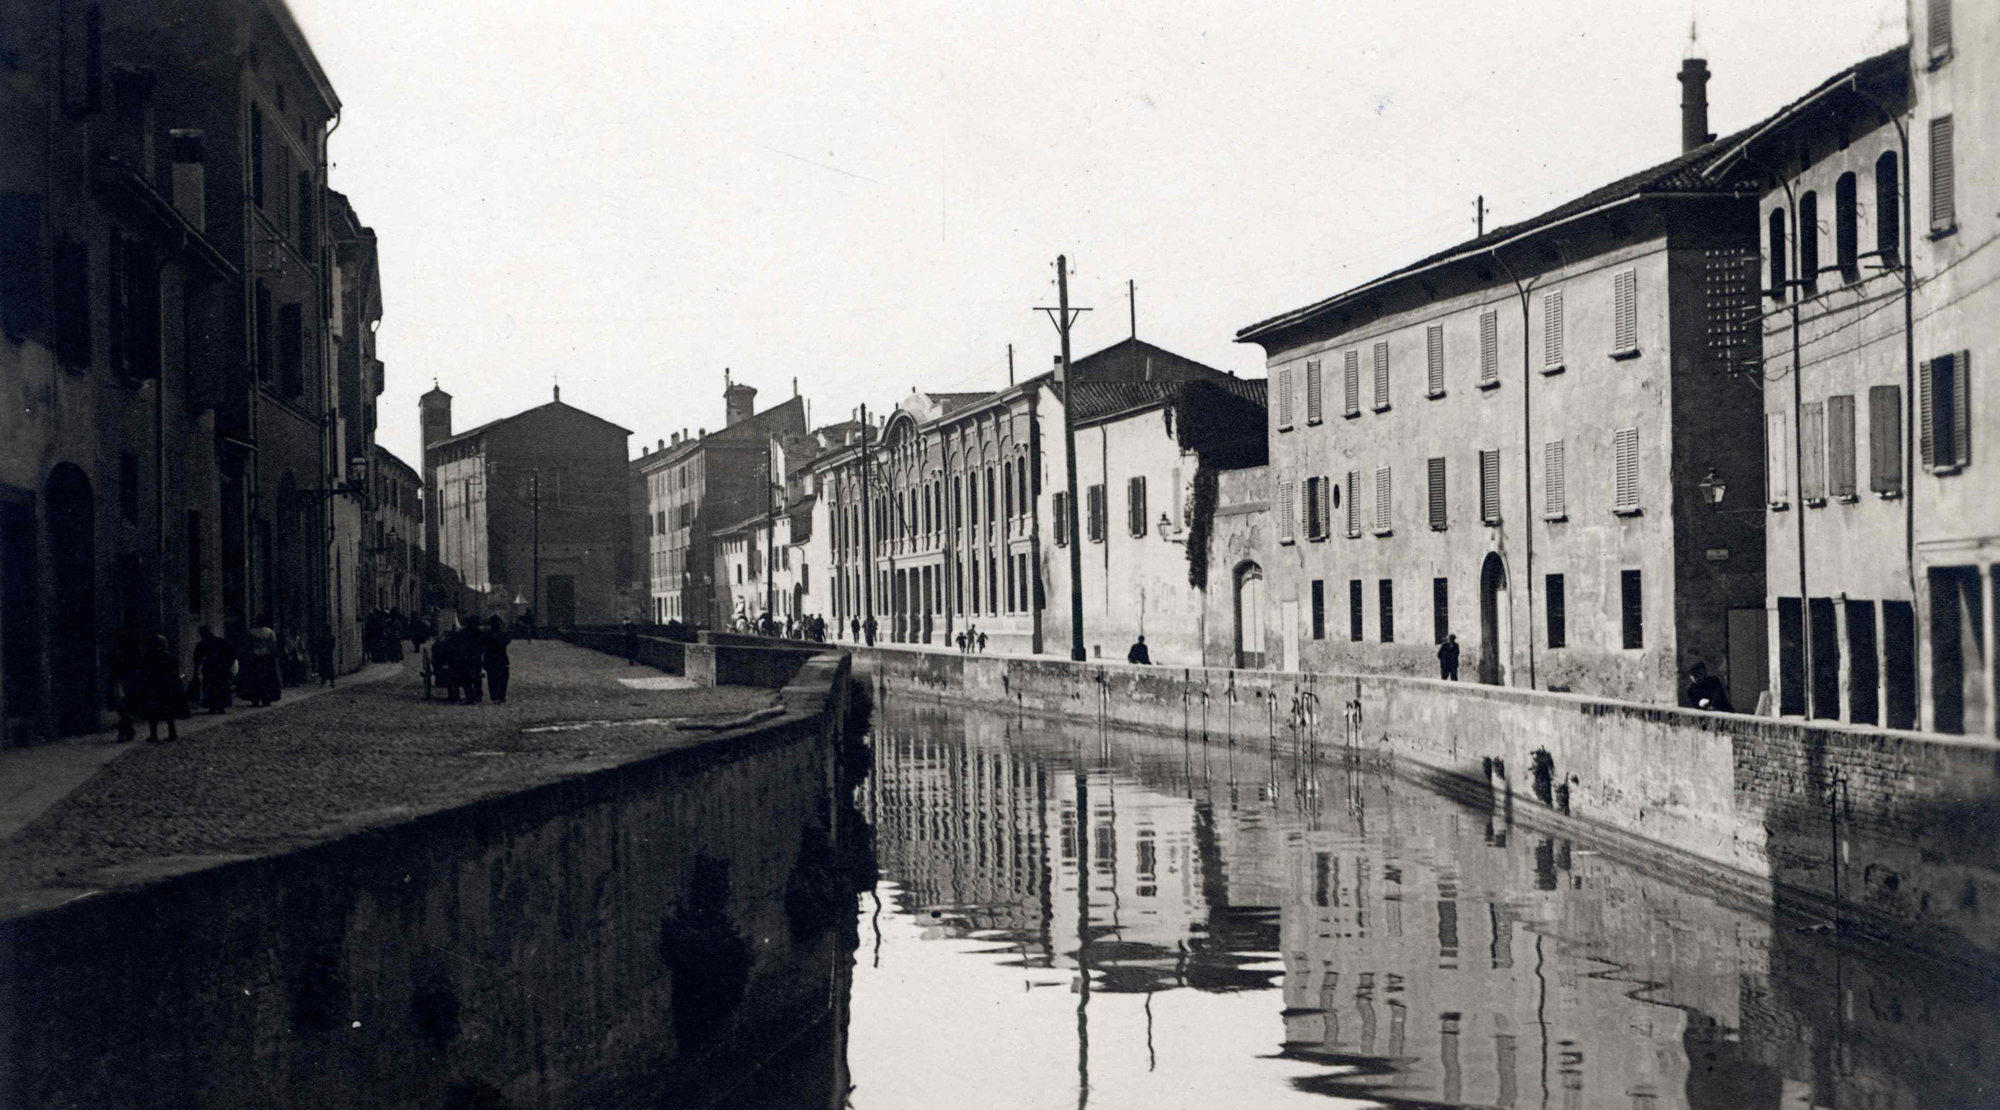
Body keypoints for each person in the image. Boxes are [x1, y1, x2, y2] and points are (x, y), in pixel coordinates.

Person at [128, 634, 189, 742]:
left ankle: (154, 734)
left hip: (154, 687)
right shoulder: (167, 657)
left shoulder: (148, 657)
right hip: (164, 686)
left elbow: (143, 672)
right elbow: (174, 673)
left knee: (154, 712)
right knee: (167, 711)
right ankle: (171, 733)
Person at [107, 628, 146, 742]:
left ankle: (124, 732)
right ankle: (127, 730)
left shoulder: (130, 656)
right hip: (120, 683)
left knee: (124, 710)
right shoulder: (117, 655)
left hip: (126, 683)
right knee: (122, 710)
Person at [191, 626, 236, 714]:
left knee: (210, 688)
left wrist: (195, 671)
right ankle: (220, 706)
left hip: (210, 668)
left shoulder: (202, 644)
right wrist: (228, 665)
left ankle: (213, 706)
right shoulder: (219, 641)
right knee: (219, 687)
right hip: (219, 668)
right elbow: (231, 653)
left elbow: (197, 659)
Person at [239, 616, 282, 707]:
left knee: (254, 679)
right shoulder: (270, 632)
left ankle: (255, 699)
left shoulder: (251, 632)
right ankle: (266, 698)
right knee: (267, 679)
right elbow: (273, 645)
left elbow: (248, 644)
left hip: (254, 657)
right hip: (266, 657)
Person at [482, 616, 513, 705]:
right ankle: (501, 696)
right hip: (502, 659)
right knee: (503, 679)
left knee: (492, 680)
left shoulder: (487, 635)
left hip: (490, 659)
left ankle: (495, 697)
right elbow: (508, 639)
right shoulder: (503, 635)